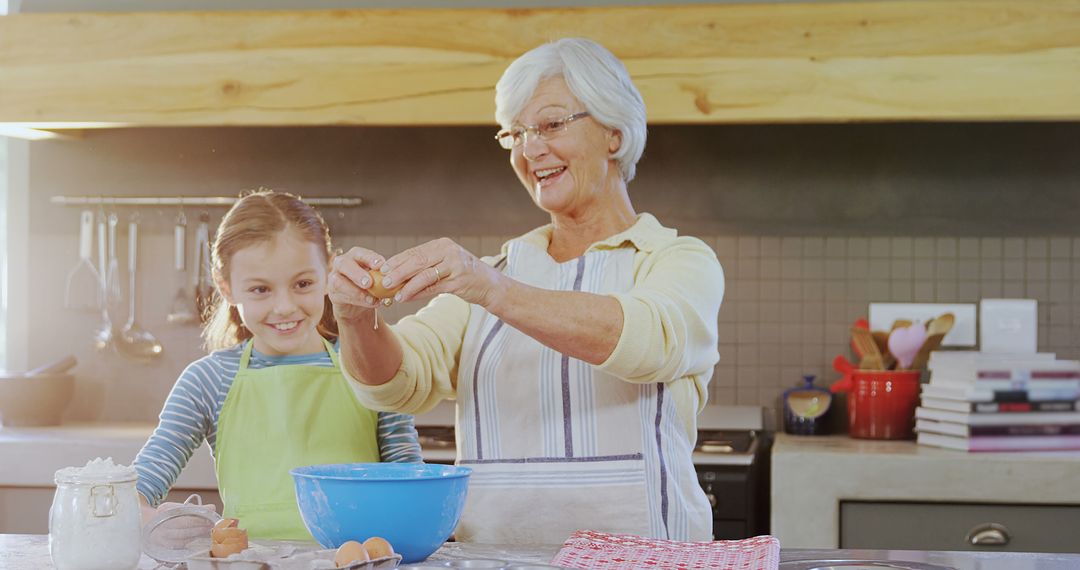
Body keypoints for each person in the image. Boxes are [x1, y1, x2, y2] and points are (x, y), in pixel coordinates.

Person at [328, 38, 723, 544]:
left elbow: (652, 339)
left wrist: (493, 290)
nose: (530, 148)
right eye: (516, 133)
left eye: (552, 125)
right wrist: (357, 319)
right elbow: (396, 382)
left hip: (649, 554)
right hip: (497, 558)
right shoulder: (494, 272)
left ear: (615, 135)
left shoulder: (675, 259)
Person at [134, 190, 422, 545]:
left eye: (302, 284)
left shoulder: (372, 369)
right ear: (225, 287)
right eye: (260, 289)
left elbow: (412, 485)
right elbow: (136, 490)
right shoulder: (207, 380)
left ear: (330, 270)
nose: (284, 307)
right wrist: (149, 520)